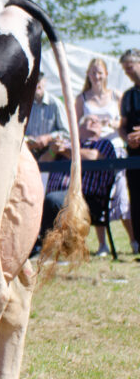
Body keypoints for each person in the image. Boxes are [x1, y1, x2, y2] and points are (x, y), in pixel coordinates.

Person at [75, 57, 134, 255]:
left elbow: (122, 123)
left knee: (122, 194)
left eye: (99, 72)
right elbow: (76, 126)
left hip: (116, 149)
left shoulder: (117, 95)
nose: (96, 76)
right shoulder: (82, 98)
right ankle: (102, 244)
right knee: (96, 192)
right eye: (93, 72)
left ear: (106, 74)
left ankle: (133, 240)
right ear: (88, 75)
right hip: (93, 152)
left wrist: (112, 123)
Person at [34, 114, 116, 256]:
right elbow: (42, 162)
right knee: (35, 200)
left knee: (53, 201)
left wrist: (67, 151)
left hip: (86, 198)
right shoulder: (65, 144)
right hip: (56, 197)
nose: (95, 122)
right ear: (78, 127)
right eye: (89, 120)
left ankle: (42, 247)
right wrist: (53, 150)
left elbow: (93, 156)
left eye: (97, 121)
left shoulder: (103, 143)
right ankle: (31, 246)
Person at [120, 48, 140, 257]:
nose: (129, 72)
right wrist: (128, 138)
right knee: (135, 198)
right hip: (133, 155)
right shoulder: (128, 96)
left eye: (131, 67)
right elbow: (122, 125)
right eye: (126, 70)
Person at [25, 71, 70, 161]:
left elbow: (66, 133)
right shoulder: (25, 104)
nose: (36, 85)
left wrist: (48, 138)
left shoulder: (55, 103)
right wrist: (27, 139)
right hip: (28, 152)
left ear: (44, 82)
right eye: (33, 82)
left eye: (38, 81)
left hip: (51, 153)